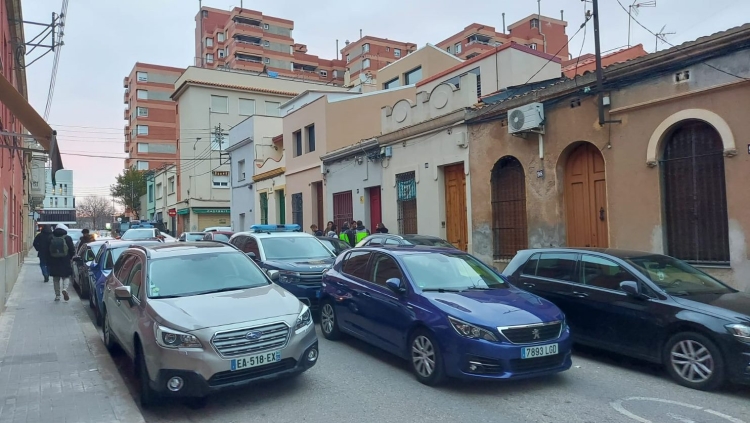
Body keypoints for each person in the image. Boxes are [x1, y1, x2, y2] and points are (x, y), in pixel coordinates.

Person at [47, 223, 76, 302]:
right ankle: (65, 289)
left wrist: (49, 259)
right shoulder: (67, 238)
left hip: (53, 260)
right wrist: (70, 257)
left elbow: (47, 250)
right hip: (65, 260)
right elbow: (72, 249)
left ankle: (57, 296)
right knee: (66, 276)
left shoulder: (51, 237)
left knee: (56, 279)